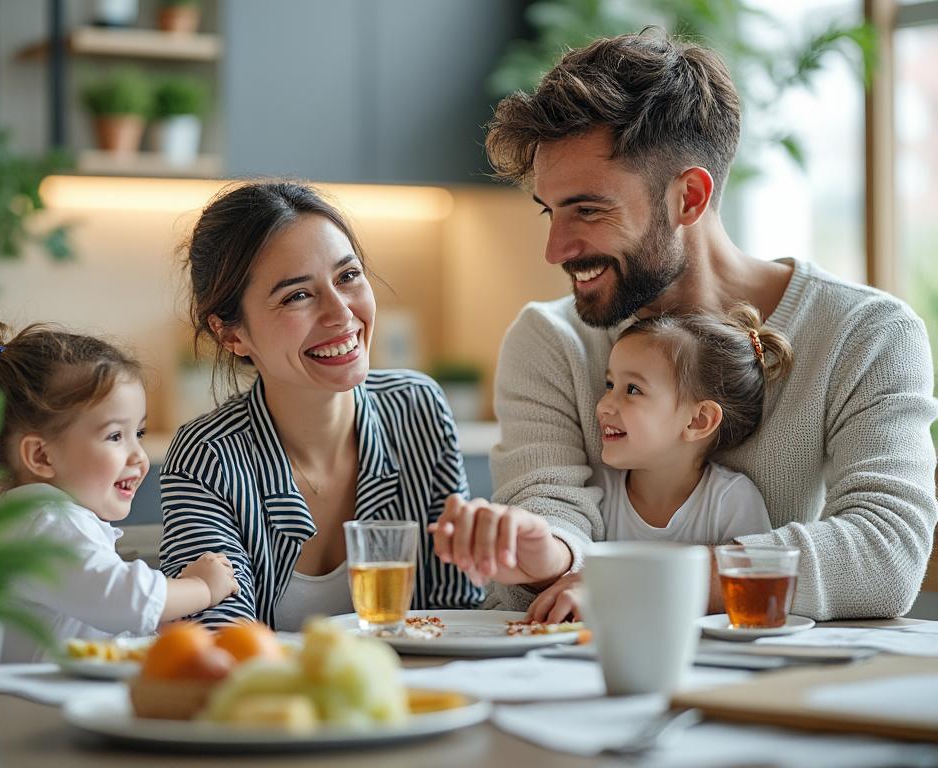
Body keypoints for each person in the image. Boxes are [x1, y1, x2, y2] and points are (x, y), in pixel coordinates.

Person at [440, 30, 938, 621]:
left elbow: (886, 550)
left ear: (690, 197)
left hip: (778, 692)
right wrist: (541, 554)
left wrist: (645, 582)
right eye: (551, 211)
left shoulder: (866, 333)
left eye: (589, 209)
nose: (555, 249)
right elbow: (553, 514)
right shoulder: (551, 341)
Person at [159, 180, 482, 630]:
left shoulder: (418, 410)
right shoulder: (209, 456)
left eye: (348, 277)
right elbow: (222, 643)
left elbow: (458, 612)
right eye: (297, 295)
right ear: (230, 334)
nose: (341, 314)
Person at [0, 321, 239, 661]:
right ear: (41, 456)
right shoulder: (47, 524)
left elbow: (96, 615)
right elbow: (123, 599)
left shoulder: (32, 519)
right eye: (114, 436)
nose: (138, 456)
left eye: (138, 433)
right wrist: (202, 588)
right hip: (35, 708)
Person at [524, 305, 792, 622]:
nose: (604, 405)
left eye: (632, 389)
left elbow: (748, 605)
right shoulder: (597, 494)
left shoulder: (731, 501)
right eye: (610, 385)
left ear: (699, 420)